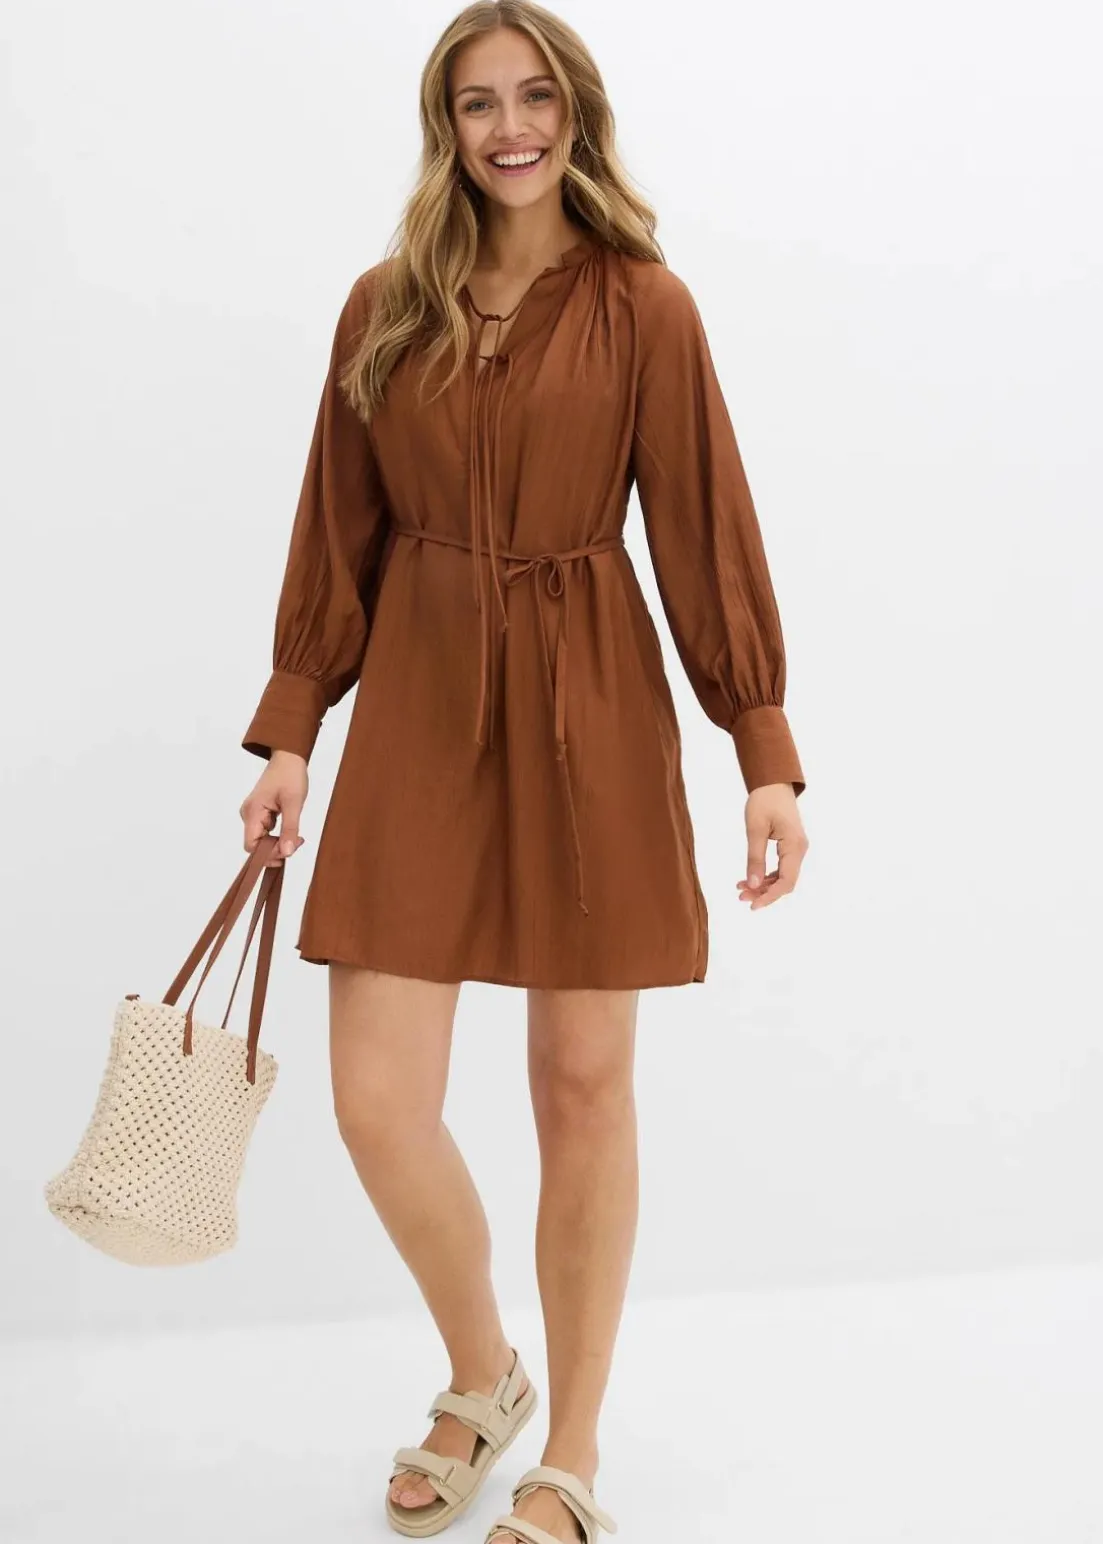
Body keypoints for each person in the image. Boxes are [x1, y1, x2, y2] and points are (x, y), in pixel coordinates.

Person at [238, 3, 809, 1541]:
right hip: (420, 708)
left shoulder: (645, 309)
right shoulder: (384, 306)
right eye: (478, 102)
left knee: (581, 1087)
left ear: (577, 112)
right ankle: (482, 1370)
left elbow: (701, 530)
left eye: (534, 95)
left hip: (588, 708)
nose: (511, 128)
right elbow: (336, 533)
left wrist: (759, 748)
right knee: (376, 1102)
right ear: (446, 126)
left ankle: (576, 1453)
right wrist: (291, 728)